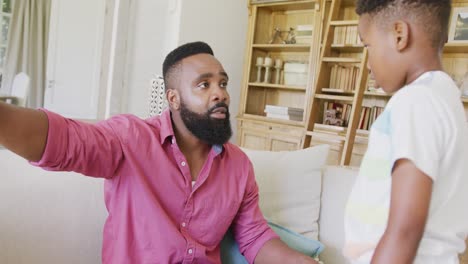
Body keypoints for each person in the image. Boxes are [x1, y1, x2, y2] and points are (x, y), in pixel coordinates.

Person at [0, 41, 318, 263]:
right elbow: (66, 141)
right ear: (174, 98)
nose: (220, 93)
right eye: (204, 85)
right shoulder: (130, 139)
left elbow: (253, 237)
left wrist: (299, 261)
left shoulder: (238, 167)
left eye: (223, 83)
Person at [343, 1, 468, 263]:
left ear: (400, 35)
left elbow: (405, 229)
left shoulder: (416, 102)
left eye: (368, 46)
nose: (367, 64)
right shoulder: (446, 98)